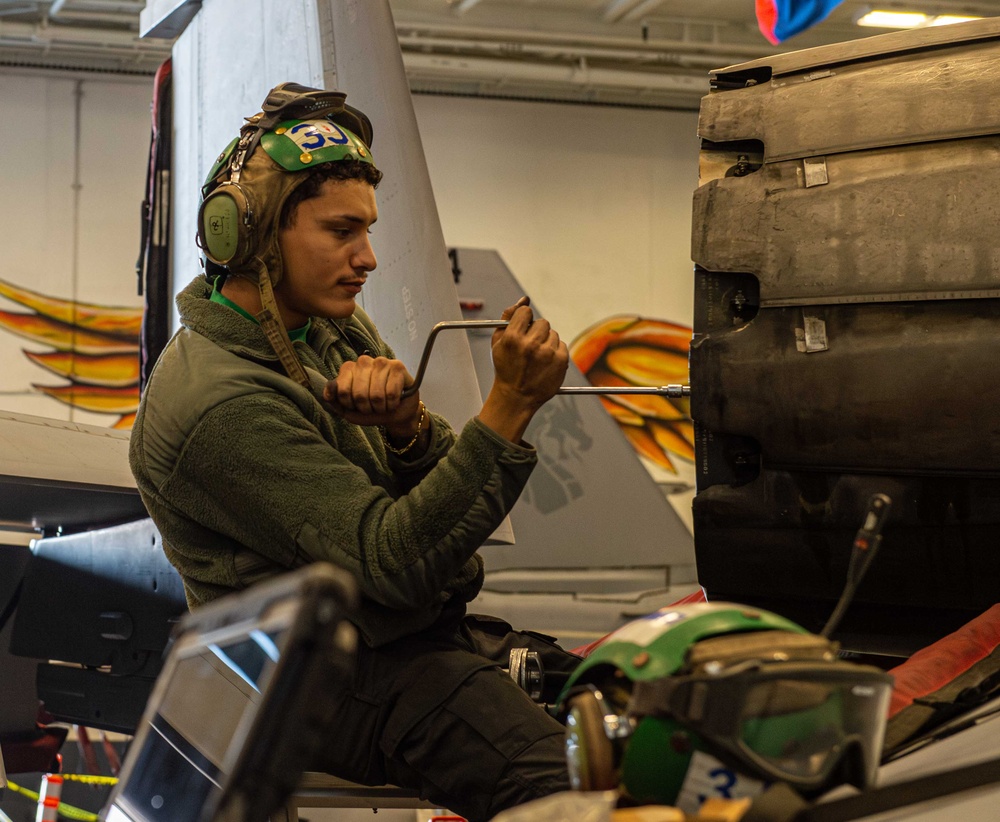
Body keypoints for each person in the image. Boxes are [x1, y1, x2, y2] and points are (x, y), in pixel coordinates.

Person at [129, 82, 582, 821]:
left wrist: (406, 428)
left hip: (409, 639)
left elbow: (432, 516)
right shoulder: (219, 404)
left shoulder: (323, 327)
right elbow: (396, 564)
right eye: (341, 231)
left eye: (367, 231)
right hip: (325, 681)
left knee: (638, 715)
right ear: (249, 234)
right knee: (575, 795)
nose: (367, 258)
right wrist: (509, 410)